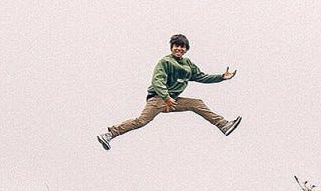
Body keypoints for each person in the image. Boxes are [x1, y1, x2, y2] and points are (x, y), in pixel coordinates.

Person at [97, 34, 242, 150]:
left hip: (172, 100)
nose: (179, 49)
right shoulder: (165, 62)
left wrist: (221, 77)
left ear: (186, 49)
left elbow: (201, 76)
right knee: (141, 121)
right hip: (158, 99)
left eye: (182, 47)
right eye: (177, 46)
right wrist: (165, 97)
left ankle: (223, 125)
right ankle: (110, 134)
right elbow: (157, 81)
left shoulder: (188, 64)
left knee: (196, 103)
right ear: (172, 47)